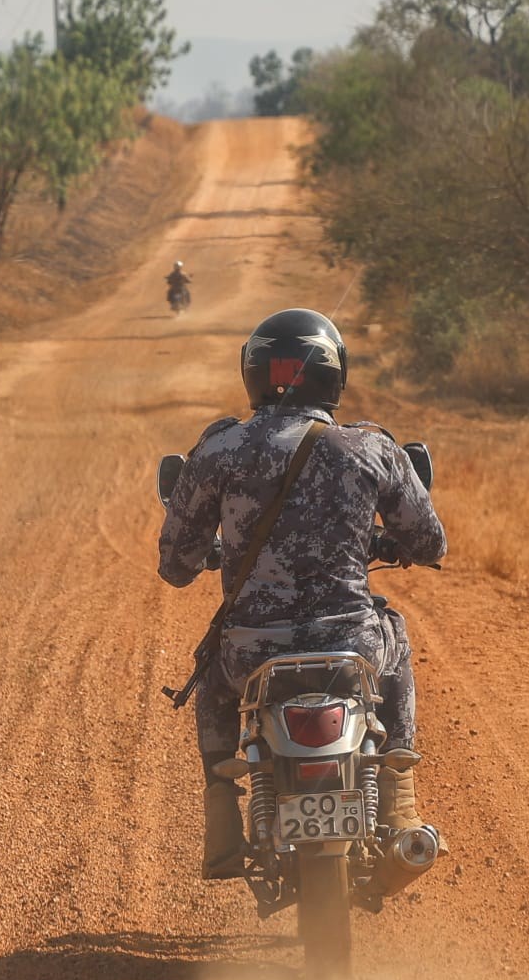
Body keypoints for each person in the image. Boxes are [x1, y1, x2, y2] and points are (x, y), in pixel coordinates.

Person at [156, 307, 447, 879]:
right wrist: (389, 544)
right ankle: (401, 796)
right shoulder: (370, 448)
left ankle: (222, 815)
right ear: (333, 372)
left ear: (255, 372)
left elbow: (175, 564)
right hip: (351, 647)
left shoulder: (219, 450)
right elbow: (430, 541)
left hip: (252, 654)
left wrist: (213, 554)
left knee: (211, 669)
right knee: (395, 635)